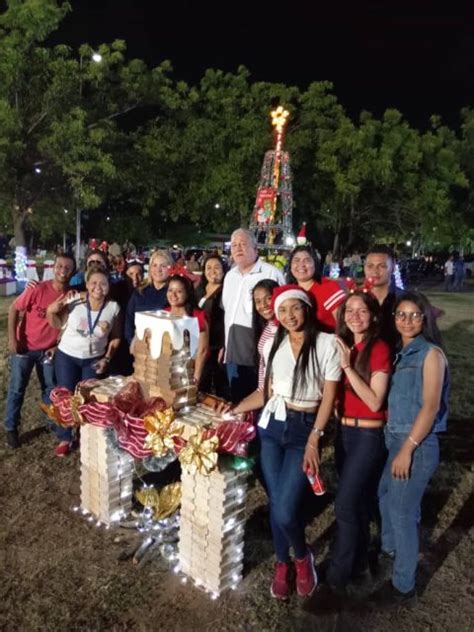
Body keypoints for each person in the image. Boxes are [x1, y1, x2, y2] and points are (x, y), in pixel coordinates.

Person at [258, 285, 341, 600]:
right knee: (277, 500)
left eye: (295, 308)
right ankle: (283, 563)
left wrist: (314, 439)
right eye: (282, 310)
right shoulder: (273, 345)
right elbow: (267, 390)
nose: (288, 315)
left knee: (284, 509)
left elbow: (329, 395)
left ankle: (302, 557)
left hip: (303, 428)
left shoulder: (326, 344)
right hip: (272, 424)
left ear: (306, 309)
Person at [375, 291, 449, 607]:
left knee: (402, 512)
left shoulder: (430, 354)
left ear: (425, 318)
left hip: (415, 443)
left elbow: (430, 407)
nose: (407, 320)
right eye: (401, 315)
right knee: (385, 495)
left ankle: (403, 585)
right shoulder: (399, 353)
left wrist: (408, 449)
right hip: (395, 438)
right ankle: (391, 549)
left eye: (414, 315)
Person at [326, 290, 391, 592]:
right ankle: (360, 561)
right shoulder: (345, 345)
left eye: (362, 310)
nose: (354, 315)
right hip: (345, 433)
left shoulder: (377, 348)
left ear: (374, 316)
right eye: (348, 310)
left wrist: (348, 367)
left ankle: (336, 576)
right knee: (359, 502)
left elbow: (376, 401)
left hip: (367, 434)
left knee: (345, 503)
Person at [4, 254, 76, 449]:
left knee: (50, 389)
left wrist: (56, 346)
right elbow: (14, 309)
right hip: (25, 348)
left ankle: (52, 422)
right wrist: (13, 339)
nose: (63, 270)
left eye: (68, 268)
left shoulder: (71, 296)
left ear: (73, 272)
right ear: (54, 267)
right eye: (60, 265)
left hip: (48, 351)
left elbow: (68, 326)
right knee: (17, 388)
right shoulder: (38, 289)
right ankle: (11, 427)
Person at [47, 268, 121, 456]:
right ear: (87, 284)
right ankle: (65, 436)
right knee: (66, 396)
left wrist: (107, 358)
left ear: (108, 287)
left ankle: (83, 434)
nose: (98, 287)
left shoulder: (113, 307)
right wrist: (53, 309)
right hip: (67, 356)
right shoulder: (75, 299)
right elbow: (56, 321)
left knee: (87, 399)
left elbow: (116, 337)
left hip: (93, 360)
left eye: (103, 283)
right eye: (93, 283)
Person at [221, 228, 284, 403]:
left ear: (255, 248)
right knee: (237, 401)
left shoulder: (271, 273)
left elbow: (282, 312)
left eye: (243, 244)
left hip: (260, 354)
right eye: (234, 245)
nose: (238, 248)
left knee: (259, 402)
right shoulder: (230, 276)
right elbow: (228, 314)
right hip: (232, 353)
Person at [229, 279, 279, 414]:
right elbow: (263, 387)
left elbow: (271, 388)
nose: (263, 305)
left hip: (277, 405)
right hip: (265, 399)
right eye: (258, 301)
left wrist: (236, 409)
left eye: (268, 298)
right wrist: (239, 406)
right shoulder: (269, 327)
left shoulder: (281, 332)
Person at [287, 245, 346, 333]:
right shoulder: (288, 292)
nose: (301, 265)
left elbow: (344, 325)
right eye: (296, 260)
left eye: (307, 260)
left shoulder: (329, 288)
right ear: (290, 267)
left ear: (315, 264)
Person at [164, 275, 209, 384]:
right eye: (170, 290)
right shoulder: (164, 312)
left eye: (179, 291)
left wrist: (196, 377)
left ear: (187, 293)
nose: (173, 295)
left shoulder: (198, 316)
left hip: (190, 371)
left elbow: (202, 350)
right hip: (168, 371)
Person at [195, 255, 229, 398]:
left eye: (217, 267)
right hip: (199, 343)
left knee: (219, 385)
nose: (212, 271)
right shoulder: (200, 289)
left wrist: (225, 344)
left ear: (223, 270)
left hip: (216, 344)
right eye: (208, 268)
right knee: (201, 384)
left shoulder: (226, 291)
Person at [125, 250, 171, 346]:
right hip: (141, 346)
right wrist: (132, 342)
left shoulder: (173, 292)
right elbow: (129, 318)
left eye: (163, 266)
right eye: (154, 265)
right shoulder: (140, 291)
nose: (158, 270)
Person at [364, 245, 400, 350]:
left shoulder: (404, 300)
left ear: (393, 268)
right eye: (370, 266)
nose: (375, 271)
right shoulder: (356, 299)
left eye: (382, 266)